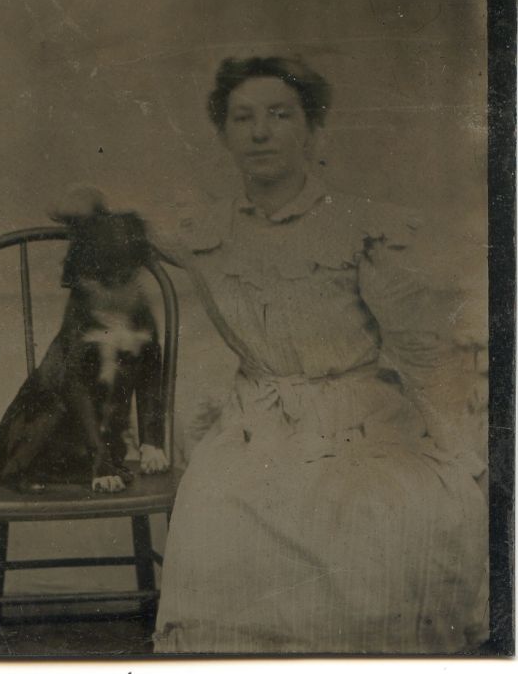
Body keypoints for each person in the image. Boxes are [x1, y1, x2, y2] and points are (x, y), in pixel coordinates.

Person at [55, 56, 488, 654]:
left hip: (360, 416)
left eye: (280, 115)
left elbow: (421, 345)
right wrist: (88, 203)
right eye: (243, 118)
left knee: (386, 515)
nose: (261, 132)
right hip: (258, 417)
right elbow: (88, 207)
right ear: (225, 135)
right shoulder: (206, 230)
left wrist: (456, 444)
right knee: (217, 509)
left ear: (312, 131)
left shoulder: (357, 227)